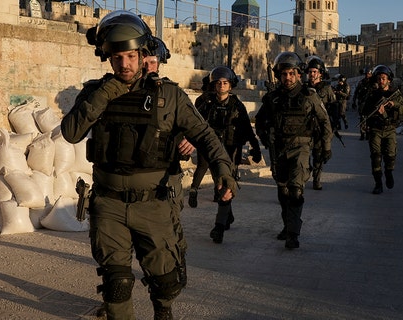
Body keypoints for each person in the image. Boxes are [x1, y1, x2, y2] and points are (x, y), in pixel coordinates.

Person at [60, 11, 237, 320]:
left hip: (154, 206)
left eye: (131, 56)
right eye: (117, 57)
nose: (125, 64)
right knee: (116, 285)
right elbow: (71, 132)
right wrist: (104, 94)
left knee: (166, 282)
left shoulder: (168, 95)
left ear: (143, 54)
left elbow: (205, 135)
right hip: (109, 204)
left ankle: (163, 310)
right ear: (108, 58)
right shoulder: (96, 93)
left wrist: (223, 169)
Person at [255, 52, 333, 249]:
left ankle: (293, 233)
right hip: (279, 149)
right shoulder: (273, 98)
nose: (287, 78)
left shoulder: (310, 96)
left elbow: (325, 122)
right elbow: (260, 122)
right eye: (284, 74)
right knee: (283, 190)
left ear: (299, 74)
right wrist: (265, 139)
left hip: (301, 148)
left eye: (291, 73)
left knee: (296, 191)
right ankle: (287, 225)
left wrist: (326, 147)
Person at [187, 66, 262, 244]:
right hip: (212, 151)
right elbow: (193, 125)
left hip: (230, 152)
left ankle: (219, 227)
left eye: (225, 83)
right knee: (220, 186)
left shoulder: (237, 106)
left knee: (225, 186)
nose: (221, 85)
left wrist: (255, 147)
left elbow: (246, 129)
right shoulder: (205, 103)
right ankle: (228, 216)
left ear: (230, 85)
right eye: (218, 83)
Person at [142, 35, 194, 288]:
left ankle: (176, 269)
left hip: (166, 175)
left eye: (153, 62)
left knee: (170, 231)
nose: (148, 67)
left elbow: (193, 128)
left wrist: (189, 142)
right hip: (132, 177)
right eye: (144, 61)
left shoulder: (172, 93)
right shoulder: (119, 90)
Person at [360, 65, 403, 195]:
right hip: (375, 129)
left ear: (389, 80)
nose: (381, 81)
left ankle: (389, 172)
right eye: (379, 78)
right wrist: (374, 111)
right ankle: (378, 183)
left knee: (391, 155)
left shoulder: (394, 95)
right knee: (375, 157)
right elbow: (364, 109)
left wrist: (393, 104)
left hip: (390, 128)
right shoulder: (372, 94)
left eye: (384, 78)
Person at [305, 55, 336, 190]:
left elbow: (333, 108)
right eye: (310, 72)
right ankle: (307, 171)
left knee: (318, 156)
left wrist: (332, 126)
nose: (312, 74)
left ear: (320, 73)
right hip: (305, 128)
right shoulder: (303, 89)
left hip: (320, 128)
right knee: (304, 155)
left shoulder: (326, 89)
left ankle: (316, 180)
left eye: (314, 72)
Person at [352, 67, 374, 140]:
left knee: (370, 119)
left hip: (370, 103)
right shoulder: (361, 82)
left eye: (368, 74)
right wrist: (354, 101)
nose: (367, 75)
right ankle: (362, 134)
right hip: (362, 103)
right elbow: (356, 92)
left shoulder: (373, 83)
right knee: (362, 118)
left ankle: (368, 134)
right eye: (366, 74)